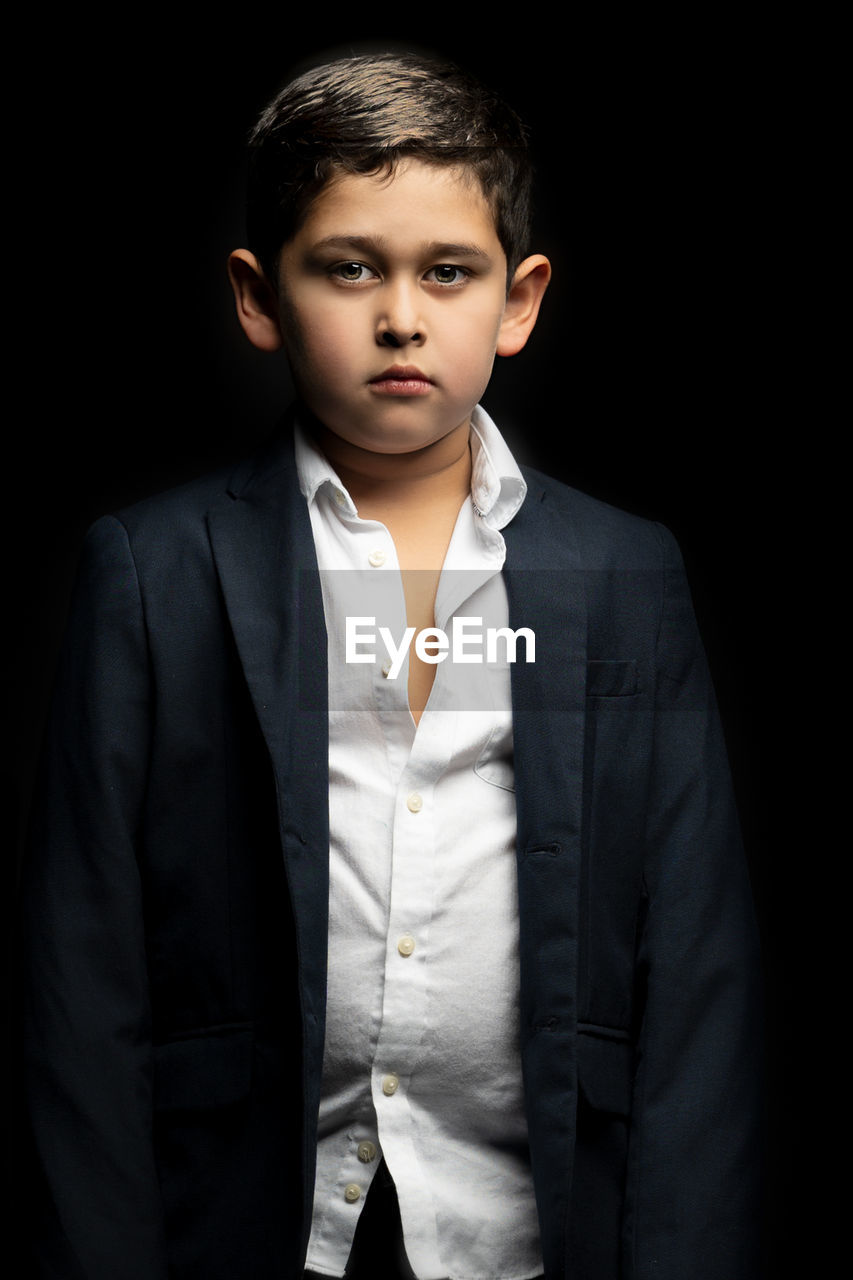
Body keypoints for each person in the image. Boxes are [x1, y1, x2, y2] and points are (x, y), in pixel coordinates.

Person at [18, 51, 763, 1280]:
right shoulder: (151, 572)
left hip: (530, 1225)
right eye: (349, 266)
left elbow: (696, 969)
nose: (401, 314)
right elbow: (79, 974)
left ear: (517, 302)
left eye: (449, 272)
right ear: (260, 296)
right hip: (247, 1221)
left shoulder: (627, 572)